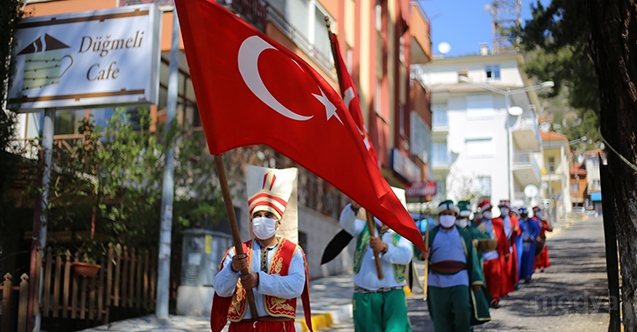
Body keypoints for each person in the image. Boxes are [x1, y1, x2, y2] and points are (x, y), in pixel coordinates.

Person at [211, 166, 312, 332]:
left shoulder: (293, 252)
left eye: (268, 216)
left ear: (278, 222)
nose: (261, 220)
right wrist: (232, 269)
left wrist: (259, 280)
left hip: (279, 328)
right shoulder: (236, 252)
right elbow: (221, 289)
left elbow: (296, 286)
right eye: (257, 216)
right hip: (242, 328)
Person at [339, 200, 413, 331]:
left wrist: (385, 248)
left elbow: (406, 256)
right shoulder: (363, 226)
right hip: (365, 295)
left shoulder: (401, 232)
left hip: (393, 294)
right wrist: (353, 208)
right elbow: (346, 224)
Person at [423, 200, 490, 332]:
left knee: (463, 310)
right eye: (444, 213)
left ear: (455, 215)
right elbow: (420, 250)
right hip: (436, 281)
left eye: (450, 213)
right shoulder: (431, 234)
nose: (447, 216)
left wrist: (477, 279)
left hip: (460, 279)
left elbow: (472, 257)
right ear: (439, 215)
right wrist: (422, 254)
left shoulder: (464, 234)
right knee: (440, 316)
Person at [476, 199, 509, 308]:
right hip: (482, 257)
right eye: (487, 210)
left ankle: (494, 299)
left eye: (490, 210)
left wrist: (506, 252)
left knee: (495, 277)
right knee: (484, 279)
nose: (489, 212)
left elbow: (503, 238)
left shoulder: (498, 223)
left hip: (494, 255)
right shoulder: (477, 223)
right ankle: (486, 299)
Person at [498, 200, 520, 294]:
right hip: (500, 248)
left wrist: (515, 230)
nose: (503, 210)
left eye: (505, 208)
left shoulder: (513, 219)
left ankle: (512, 284)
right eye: (501, 208)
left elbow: (517, 232)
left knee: (510, 267)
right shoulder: (497, 220)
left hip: (510, 245)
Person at [518, 207, 540, 283]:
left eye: (525, 214)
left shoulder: (532, 221)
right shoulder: (518, 222)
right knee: (521, 260)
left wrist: (532, 237)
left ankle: (528, 275)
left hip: (530, 244)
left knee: (529, 260)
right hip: (521, 243)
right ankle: (521, 275)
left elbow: (536, 230)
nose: (523, 216)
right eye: (522, 214)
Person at [533, 206, 553, 272]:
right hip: (534, 239)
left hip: (542, 239)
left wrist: (550, 227)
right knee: (535, 254)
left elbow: (548, 228)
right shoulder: (532, 220)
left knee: (543, 253)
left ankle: (542, 266)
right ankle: (534, 267)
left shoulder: (543, 221)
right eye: (537, 211)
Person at [510, 207, 524, 289]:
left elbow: (520, 230)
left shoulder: (519, 222)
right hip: (510, 246)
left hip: (517, 246)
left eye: (513, 213)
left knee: (517, 263)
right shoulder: (508, 220)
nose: (512, 214)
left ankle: (516, 281)